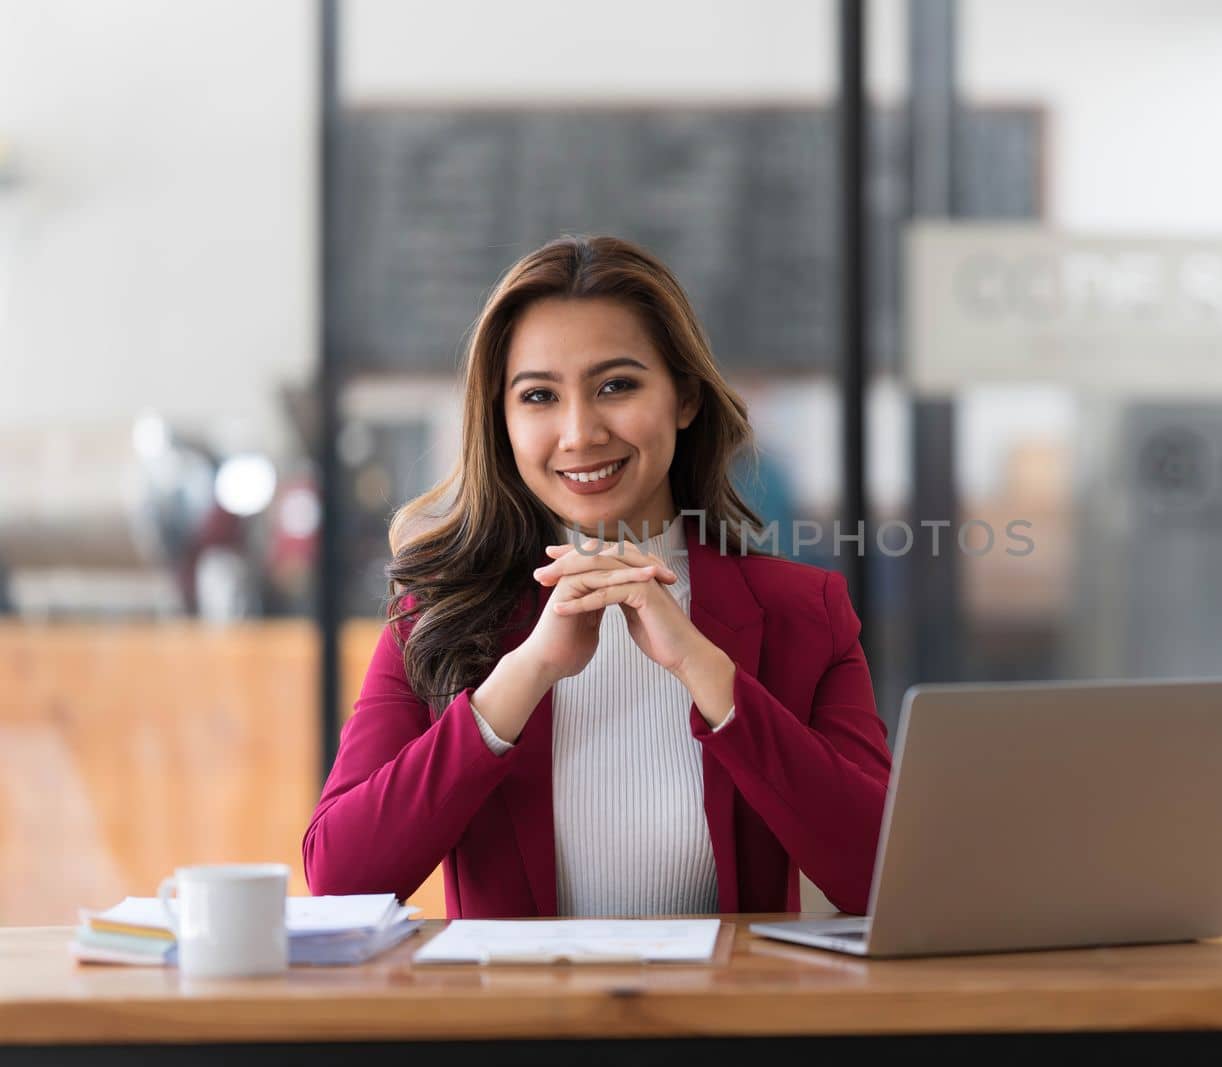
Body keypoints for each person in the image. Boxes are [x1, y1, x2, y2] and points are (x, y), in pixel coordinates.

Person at [303, 234, 891, 918]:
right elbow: (340, 877)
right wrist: (524, 676)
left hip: (725, 1020)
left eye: (616, 385)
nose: (580, 432)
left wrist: (707, 672)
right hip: (519, 1022)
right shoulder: (437, 611)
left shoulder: (804, 612)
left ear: (686, 397)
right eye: (539, 396)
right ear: (502, 421)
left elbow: (879, 875)